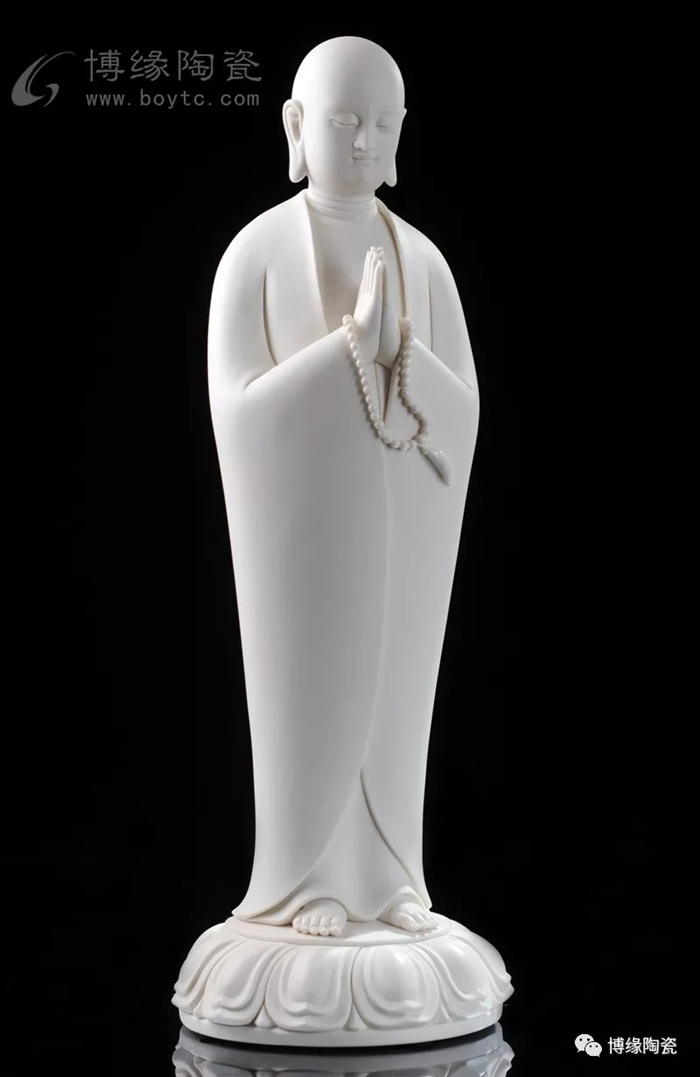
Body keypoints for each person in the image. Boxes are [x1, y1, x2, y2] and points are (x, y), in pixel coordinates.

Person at [208, 36, 479, 938]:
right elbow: (237, 409)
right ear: (295, 126)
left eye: (382, 123)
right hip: (302, 540)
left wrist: (404, 357)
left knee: (397, 696)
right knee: (309, 691)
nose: (364, 141)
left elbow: (463, 411)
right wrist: (347, 350)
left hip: (404, 530)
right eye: (343, 119)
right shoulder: (254, 254)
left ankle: (391, 872)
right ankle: (304, 880)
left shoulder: (424, 262)